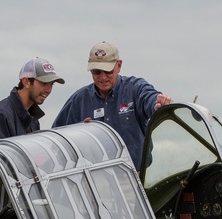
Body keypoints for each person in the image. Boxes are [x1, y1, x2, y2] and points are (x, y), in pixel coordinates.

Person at [52, 41, 173, 171]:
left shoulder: (135, 88)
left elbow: (150, 98)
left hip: (135, 177)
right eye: (97, 72)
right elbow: (56, 138)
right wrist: (80, 133)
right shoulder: (79, 100)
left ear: (119, 65)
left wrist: (158, 104)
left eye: (108, 71)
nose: (103, 77)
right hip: (95, 180)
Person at [0, 57, 65, 144]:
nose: (48, 90)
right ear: (26, 82)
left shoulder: (32, 118)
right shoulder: (0, 115)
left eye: (52, 84)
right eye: (43, 83)